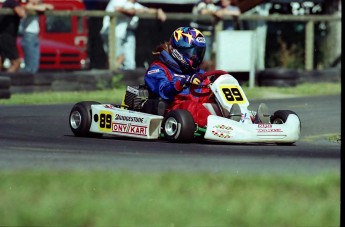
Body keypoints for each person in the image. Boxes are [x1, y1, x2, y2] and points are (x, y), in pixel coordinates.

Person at [144, 27, 213, 127]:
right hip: (172, 109)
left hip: (195, 108)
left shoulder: (197, 72)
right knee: (192, 106)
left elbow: (204, 96)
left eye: (198, 53)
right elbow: (163, 90)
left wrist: (212, 88)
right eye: (192, 53)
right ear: (179, 51)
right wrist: (182, 82)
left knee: (214, 103)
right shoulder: (158, 69)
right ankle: (215, 127)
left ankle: (234, 120)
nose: (195, 57)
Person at [101, 0, 166, 70]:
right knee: (117, 59)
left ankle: (124, 79)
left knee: (129, 64)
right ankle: (107, 79)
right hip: (112, 32)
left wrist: (158, 11)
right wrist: (133, 11)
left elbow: (145, 10)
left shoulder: (133, 4)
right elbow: (121, 9)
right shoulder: (118, 0)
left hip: (124, 33)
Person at [20, 0, 53, 73]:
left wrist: (42, 5)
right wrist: (40, 6)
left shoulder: (35, 7)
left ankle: (33, 77)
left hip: (34, 35)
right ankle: (27, 79)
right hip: (28, 35)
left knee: (35, 60)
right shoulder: (27, 6)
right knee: (30, 61)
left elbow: (50, 7)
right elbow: (30, 7)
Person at [190, 0, 223, 71]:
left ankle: (205, 77)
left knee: (208, 59)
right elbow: (203, 12)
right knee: (204, 60)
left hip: (210, 34)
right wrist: (214, 13)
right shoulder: (200, 3)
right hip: (198, 34)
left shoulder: (212, 5)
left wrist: (216, 12)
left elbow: (221, 13)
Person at [0, 0, 26, 72]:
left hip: (5, 35)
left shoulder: (7, 3)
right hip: (7, 37)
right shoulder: (11, 2)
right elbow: (22, 14)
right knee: (16, 62)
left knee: (2, 60)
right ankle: (8, 78)